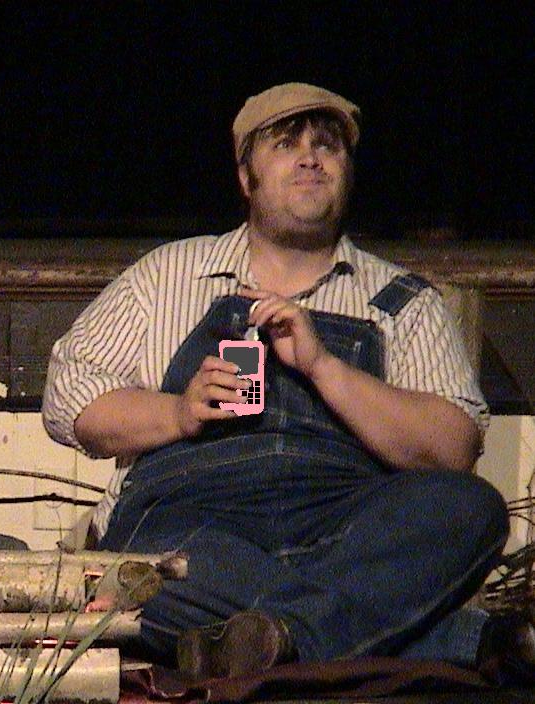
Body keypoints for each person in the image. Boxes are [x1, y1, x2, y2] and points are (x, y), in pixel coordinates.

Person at [43, 82, 533, 685]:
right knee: (155, 579)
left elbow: (453, 448)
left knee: (472, 510)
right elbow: (67, 395)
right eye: (285, 144)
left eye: (327, 145)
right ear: (246, 177)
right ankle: (445, 639)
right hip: (196, 525)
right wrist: (178, 413)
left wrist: (323, 365)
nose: (310, 158)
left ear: (347, 171)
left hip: (341, 531)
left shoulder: (403, 301)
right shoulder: (167, 275)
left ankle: (275, 636)